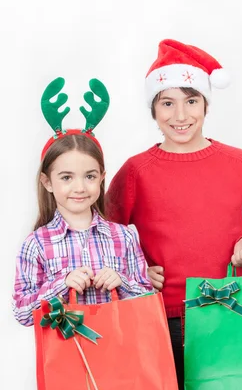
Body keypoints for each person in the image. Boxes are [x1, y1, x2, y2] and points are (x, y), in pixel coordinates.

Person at [105, 39, 242, 390]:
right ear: (153, 109)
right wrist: (135, 270)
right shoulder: (136, 172)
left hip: (231, 311)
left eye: (190, 101)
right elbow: (107, 238)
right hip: (167, 320)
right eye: (166, 103)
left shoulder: (238, 162)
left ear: (206, 104)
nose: (179, 115)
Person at [13, 77, 152, 327]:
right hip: (67, 361)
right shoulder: (36, 245)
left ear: (101, 178)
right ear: (47, 182)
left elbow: (148, 300)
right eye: (66, 177)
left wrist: (122, 281)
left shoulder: (124, 237)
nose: (79, 187)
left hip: (121, 358)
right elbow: (23, 313)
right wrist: (61, 284)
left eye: (89, 176)